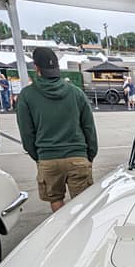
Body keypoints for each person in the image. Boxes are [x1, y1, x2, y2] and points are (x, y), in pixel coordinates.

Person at [16, 47, 98, 213]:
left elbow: (26, 133)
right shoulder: (76, 93)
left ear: (36, 67)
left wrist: (39, 156)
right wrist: (89, 155)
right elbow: (89, 127)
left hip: (48, 157)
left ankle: (62, 229)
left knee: (55, 199)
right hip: (77, 155)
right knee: (83, 204)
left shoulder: (26, 95)